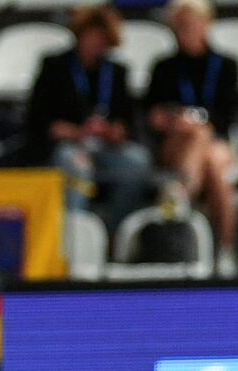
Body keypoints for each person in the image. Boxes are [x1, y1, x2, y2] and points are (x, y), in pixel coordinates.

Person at [24, 5, 151, 233]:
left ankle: (113, 232)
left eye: (102, 39)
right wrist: (79, 132)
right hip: (68, 145)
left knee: (137, 162)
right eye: (92, 37)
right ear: (80, 35)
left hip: (105, 147)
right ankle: (75, 236)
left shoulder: (116, 72)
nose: (96, 44)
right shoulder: (56, 67)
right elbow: (41, 121)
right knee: (75, 164)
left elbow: (127, 122)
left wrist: (113, 132)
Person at [145, 0, 238, 277]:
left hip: (216, 142)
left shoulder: (225, 65)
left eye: (193, 23)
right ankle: (224, 249)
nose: (187, 30)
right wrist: (175, 122)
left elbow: (227, 117)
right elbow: (153, 115)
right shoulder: (164, 67)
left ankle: (181, 198)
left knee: (213, 159)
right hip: (175, 144)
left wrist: (198, 125)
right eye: (181, 25)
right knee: (204, 151)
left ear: (207, 24)